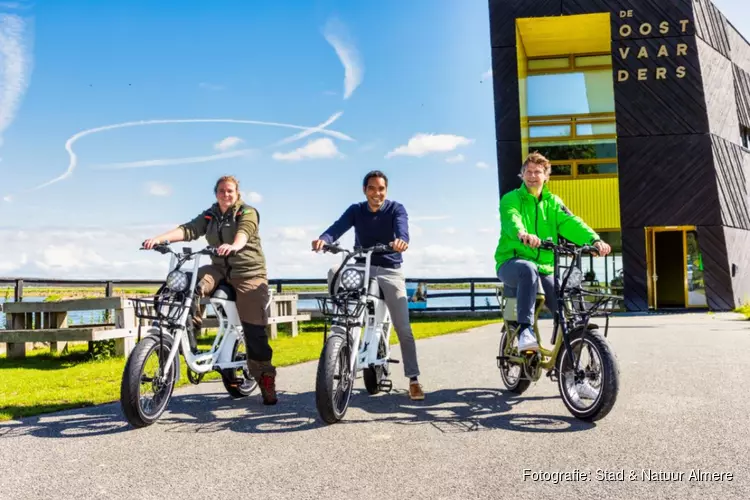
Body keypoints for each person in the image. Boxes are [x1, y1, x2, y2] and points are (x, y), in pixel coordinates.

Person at [142, 175, 278, 405]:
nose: (226, 195)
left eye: (230, 191)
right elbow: (189, 229)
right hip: (218, 269)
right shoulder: (211, 214)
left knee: (254, 330)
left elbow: (244, 232)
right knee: (184, 285)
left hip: (248, 273)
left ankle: (265, 378)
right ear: (216, 193)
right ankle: (190, 337)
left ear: (237, 193)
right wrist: (158, 239)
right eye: (222, 191)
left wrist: (234, 245)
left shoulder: (247, 212)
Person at [311, 170, 425, 401]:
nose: (377, 193)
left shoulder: (396, 209)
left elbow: (402, 229)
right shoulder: (356, 210)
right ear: (365, 190)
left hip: (389, 269)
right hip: (362, 267)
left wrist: (401, 241)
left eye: (381, 188)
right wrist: (324, 239)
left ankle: (413, 379)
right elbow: (336, 228)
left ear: (386, 191)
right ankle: (340, 323)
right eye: (372, 188)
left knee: (403, 326)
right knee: (335, 271)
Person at [494, 152, 611, 351]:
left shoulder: (554, 203)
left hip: (545, 266)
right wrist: (522, 233)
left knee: (561, 295)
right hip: (511, 262)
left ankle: (567, 349)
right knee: (528, 269)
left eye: (537, 172)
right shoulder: (511, 199)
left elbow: (571, 222)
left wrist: (594, 239)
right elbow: (511, 218)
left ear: (546, 176)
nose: (532, 176)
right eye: (528, 172)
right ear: (522, 175)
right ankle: (525, 331)